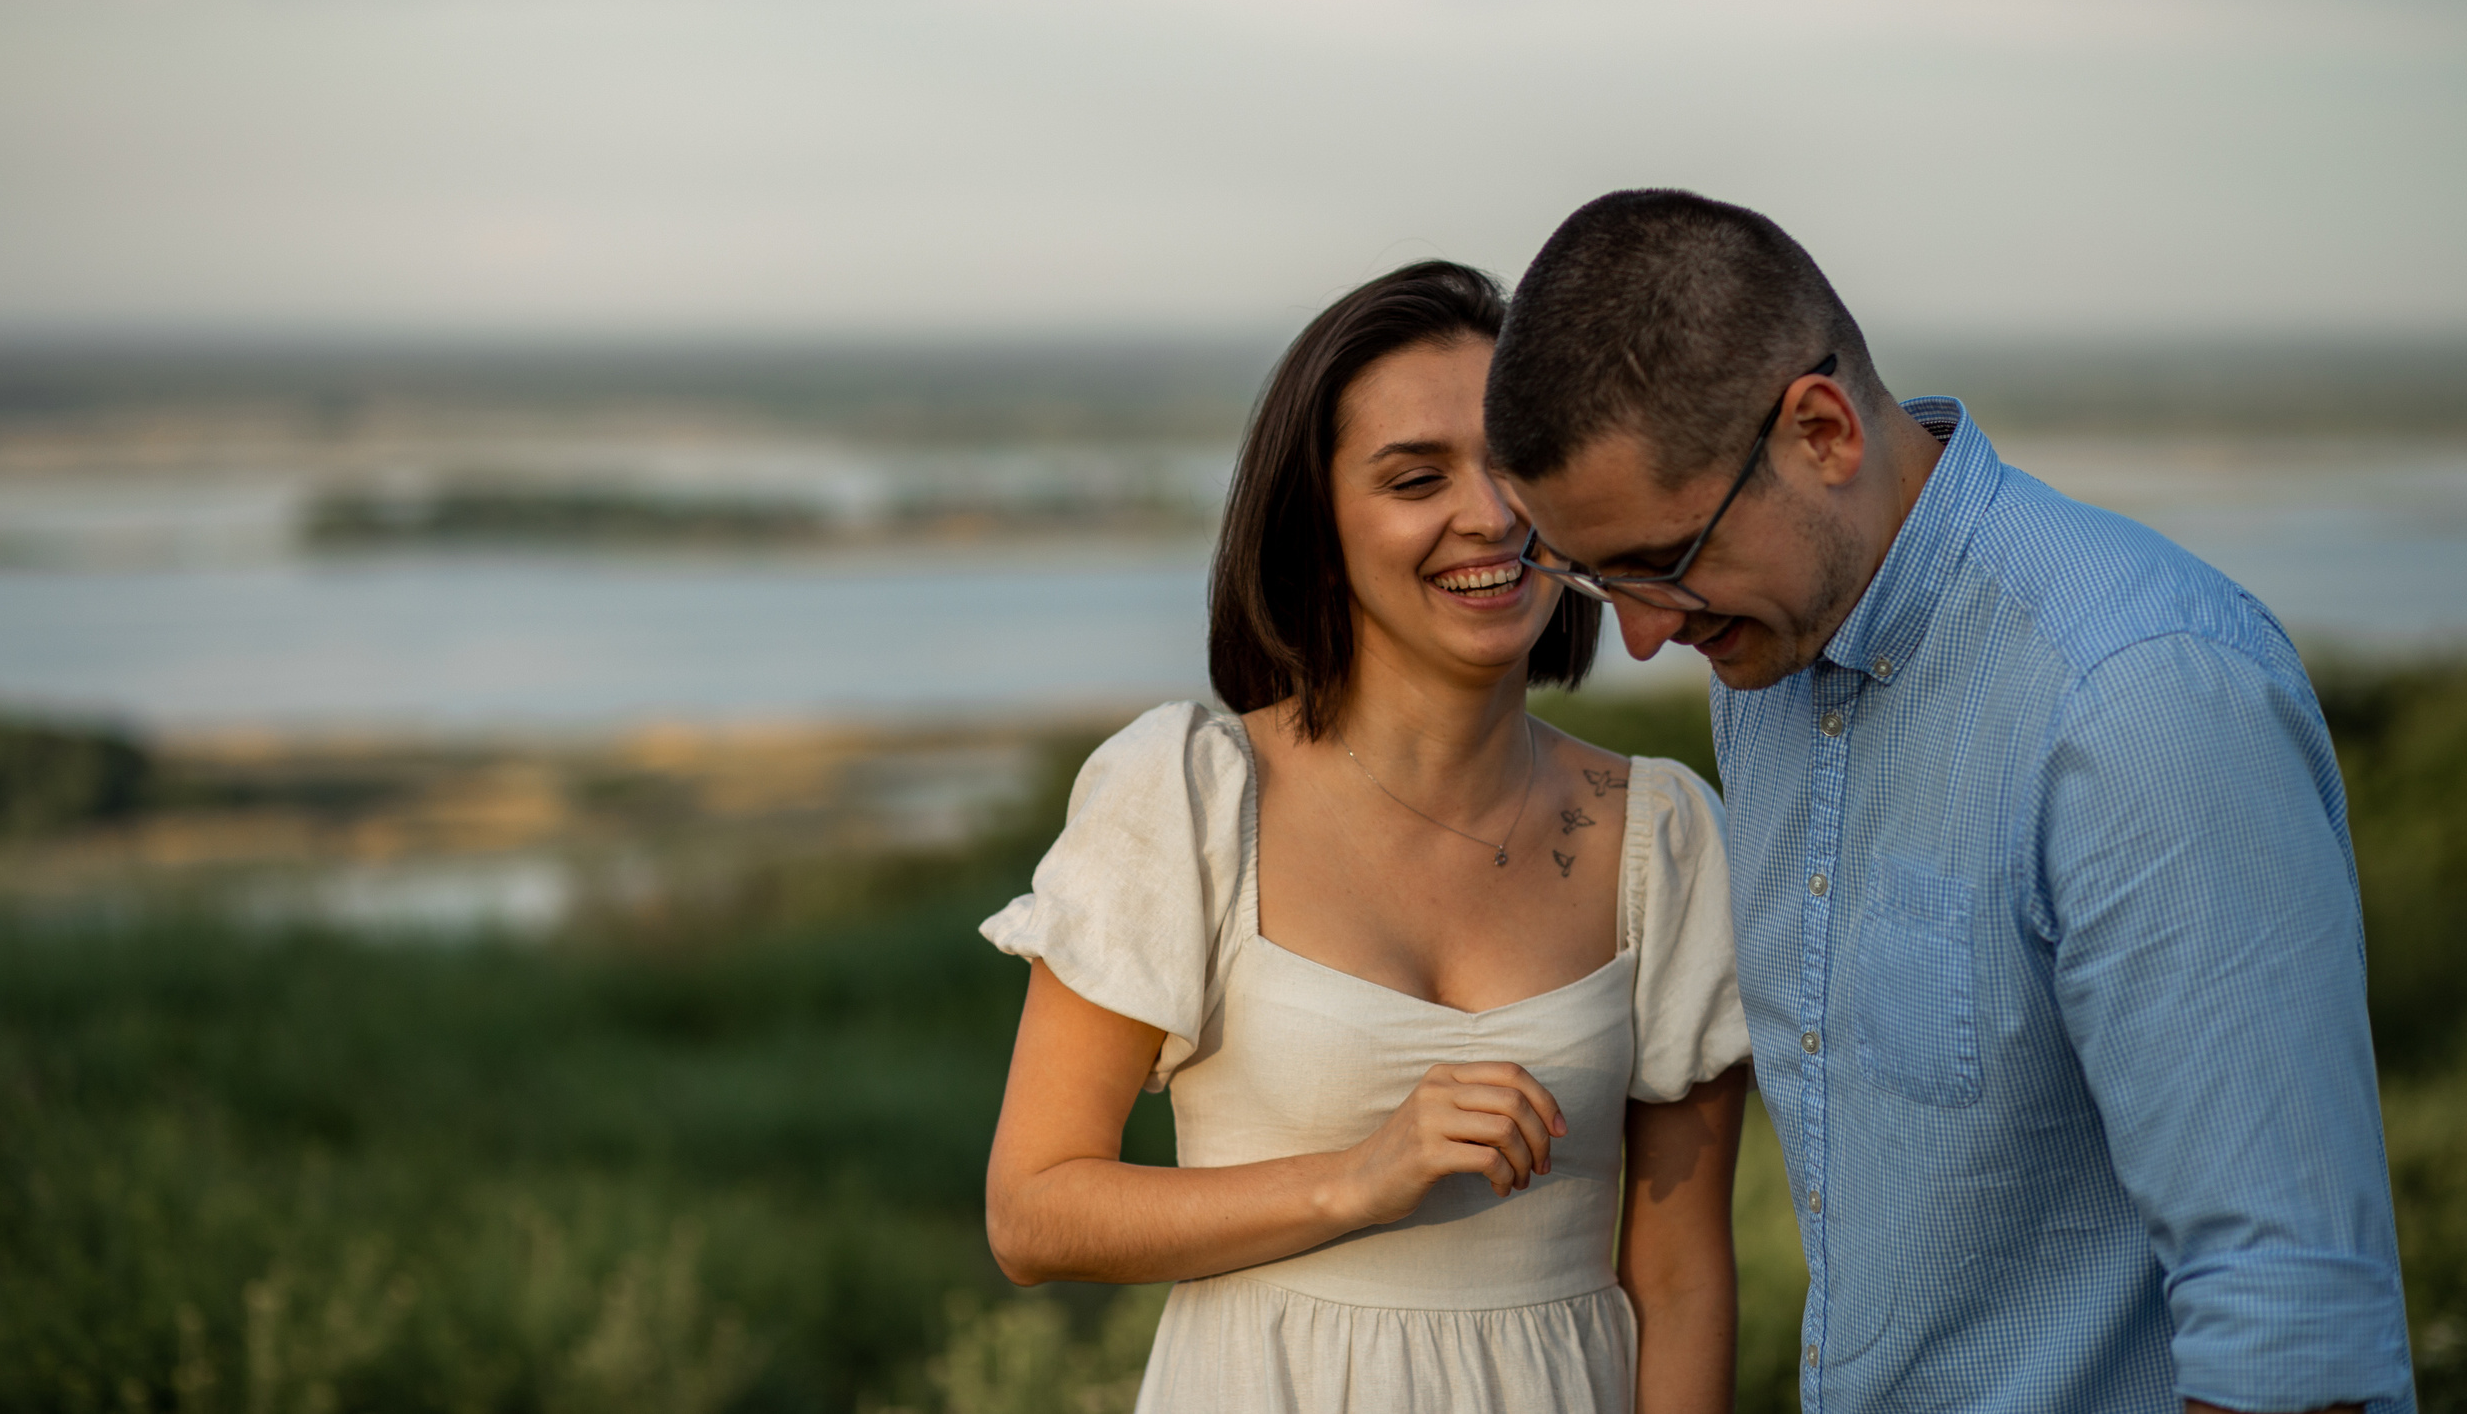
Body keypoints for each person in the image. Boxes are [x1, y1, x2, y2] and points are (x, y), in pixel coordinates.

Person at [1485, 188, 2417, 1414]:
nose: (1646, 636)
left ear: (1820, 431)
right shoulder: (1762, 662)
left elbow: (2290, 1330)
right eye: (1593, 580)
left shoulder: (2139, 698)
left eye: (1663, 565)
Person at [979, 261, 1753, 1414]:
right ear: (1318, 522)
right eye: (1415, 478)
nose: (1488, 515)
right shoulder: (1190, 794)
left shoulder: (1664, 834)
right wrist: (1355, 1180)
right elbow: (1033, 1215)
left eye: (1515, 465)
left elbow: (1682, 1282)